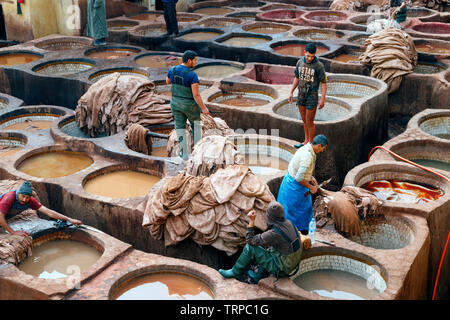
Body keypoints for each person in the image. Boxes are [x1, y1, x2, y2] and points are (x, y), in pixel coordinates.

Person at [218, 201, 303, 284]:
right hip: (292, 263)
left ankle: (235, 272)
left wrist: (251, 221)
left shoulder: (275, 233)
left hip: (283, 269)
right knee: (265, 246)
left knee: (250, 248)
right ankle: (259, 275)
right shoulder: (289, 223)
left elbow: (250, 241)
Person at [277, 134, 328, 235]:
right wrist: (311, 187)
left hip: (292, 183)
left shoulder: (307, 147)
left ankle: (297, 231)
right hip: (294, 187)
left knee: (298, 210)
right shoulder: (307, 156)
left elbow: (302, 171)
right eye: (323, 148)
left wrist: (310, 177)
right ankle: (294, 234)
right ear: (318, 145)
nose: (322, 151)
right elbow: (299, 178)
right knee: (293, 213)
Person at [166, 50, 210, 160]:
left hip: (175, 104)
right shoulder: (192, 75)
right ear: (189, 60)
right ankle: (197, 153)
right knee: (196, 126)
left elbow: (167, 81)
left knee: (180, 127)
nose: (195, 62)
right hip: (189, 105)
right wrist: (204, 108)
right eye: (195, 60)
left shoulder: (172, 70)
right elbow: (196, 95)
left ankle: (184, 154)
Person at [0, 181, 82, 237]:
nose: (24, 199)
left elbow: (49, 212)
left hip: (6, 215)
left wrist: (70, 219)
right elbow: (0, 216)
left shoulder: (31, 201)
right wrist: (13, 232)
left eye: (27, 197)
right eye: (23, 196)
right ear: (18, 194)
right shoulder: (9, 198)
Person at [288, 43, 327, 148]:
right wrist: (291, 91)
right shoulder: (300, 62)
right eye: (308, 56)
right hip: (301, 94)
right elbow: (297, 77)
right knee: (304, 120)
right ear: (304, 52)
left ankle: (310, 144)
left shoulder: (319, 66)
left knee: (310, 121)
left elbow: (323, 82)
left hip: (312, 96)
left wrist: (322, 98)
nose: (309, 58)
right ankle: (305, 141)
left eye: (312, 56)